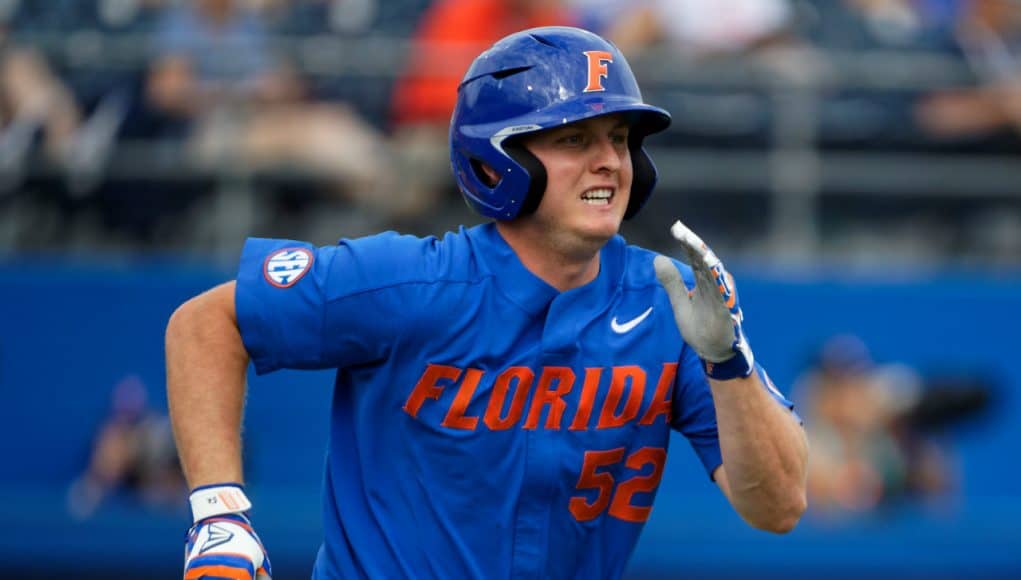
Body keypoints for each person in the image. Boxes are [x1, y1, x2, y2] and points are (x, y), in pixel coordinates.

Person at [166, 26, 807, 579]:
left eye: (618, 139)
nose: (609, 162)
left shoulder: (669, 307)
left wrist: (729, 363)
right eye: (575, 140)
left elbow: (777, 506)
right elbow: (206, 322)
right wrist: (220, 514)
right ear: (499, 161)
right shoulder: (413, 282)